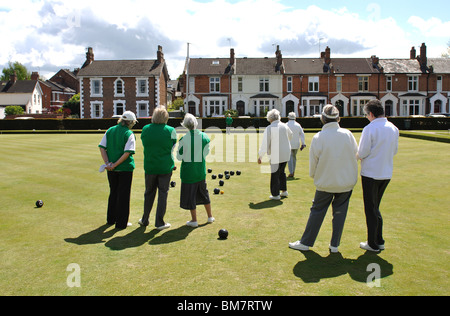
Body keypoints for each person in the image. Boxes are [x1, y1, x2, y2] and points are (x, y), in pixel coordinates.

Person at [289, 105, 358, 253]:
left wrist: (315, 176)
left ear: (323, 119)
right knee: (340, 212)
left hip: (325, 181)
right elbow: (356, 154)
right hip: (346, 182)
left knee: (317, 210)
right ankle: (334, 246)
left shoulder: (319, 137)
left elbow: (313, 162)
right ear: (338, 118)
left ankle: (305, 242)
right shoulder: (348, 134)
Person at [357, 99, 399, 252]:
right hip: (386, 172)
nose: (366, 117)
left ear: (371, 114)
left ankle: (373, 243)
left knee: (371, 208)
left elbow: (362, 152)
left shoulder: (370, 128)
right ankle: (379, 240)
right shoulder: (394, 128)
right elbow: (394, 150)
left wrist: (357, 156)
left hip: (371, 173)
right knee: (376, 207)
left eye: (366, 114)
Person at [138, 106, 177, 231]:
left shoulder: (146, 129)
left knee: (149, 193)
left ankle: (145, 219)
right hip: (165, 166)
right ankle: (159, 222)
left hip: (150, 165)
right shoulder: (170, 130)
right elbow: (172, 147)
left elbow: (145, 143)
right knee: (163, 194)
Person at [98, 111, 137, 230]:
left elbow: (102, 148)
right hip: (124, 168)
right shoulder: (129, 133)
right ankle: (121, 223)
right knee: (123, 195)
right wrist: (114, 164)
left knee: (113, 192)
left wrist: (108, 164)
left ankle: (111, 219)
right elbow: (127, 153)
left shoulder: (110, 130)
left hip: (111, 169)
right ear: (130, 122)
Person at [177, 113, 214, 227]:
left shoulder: (184, 139)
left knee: (191, 196)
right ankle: (210, 216)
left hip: (188, 173)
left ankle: (194, 220)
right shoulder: (204, 137)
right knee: (204, 194)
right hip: (200, 171)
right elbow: (206, 152)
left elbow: (179, 156)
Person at [258, 109, 293, 200]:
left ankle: (275, 194)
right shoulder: (284, 126)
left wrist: (260, 155)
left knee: (275, 174)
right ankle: (284, 191)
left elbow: (265, 143)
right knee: (282, 172)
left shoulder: (269, 128)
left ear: (269, 118)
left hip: (275, 154)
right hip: (285, 153)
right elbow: (291, 135)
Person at [286, 112, 306, 178]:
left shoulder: (286, 125)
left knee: (290, 158)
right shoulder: (298, 125)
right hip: (296, 144)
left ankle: (291, 172)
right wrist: (303, 143)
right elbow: (302, 134)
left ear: (288, 118)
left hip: (289, 144)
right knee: (294, 157)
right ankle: (293, 171)